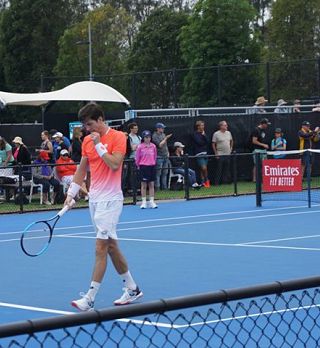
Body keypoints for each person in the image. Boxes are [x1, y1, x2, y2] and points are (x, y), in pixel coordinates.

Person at [65, 103, 142, 311]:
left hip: (111, 200)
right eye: (85, 125)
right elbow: (81, 170)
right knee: (111, 246)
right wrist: (71, 195)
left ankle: (89, 297)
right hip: (95, 200)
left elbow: (115, 164)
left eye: (89, 124)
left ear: (100, 119)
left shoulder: (118, 137)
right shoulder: (87, 141)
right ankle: (132, 288)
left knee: (100, 247)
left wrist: (100, 145)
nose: (87, 129)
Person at [135, 130, 158, 209]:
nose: (147, 139)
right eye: (146, 137)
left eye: (149, 137)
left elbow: (155, 156)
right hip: (143, 167)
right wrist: (139, 166)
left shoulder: (153, 146)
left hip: (151, 166)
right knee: (143, 185)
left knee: (151, 184)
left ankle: (152, 201)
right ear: (143, 138)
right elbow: (137, 158)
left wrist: (153, 163)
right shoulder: (140, 147)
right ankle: (144, 202)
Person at [212, 121, 233, 185]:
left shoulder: (229, 133)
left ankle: (225, 182)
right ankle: (217, 183)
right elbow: (213, 144)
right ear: (221, 126)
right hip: (220, 154)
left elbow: (232, 141)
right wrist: (216, 153)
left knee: (227, 169)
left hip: (227, 154)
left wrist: (231, 148)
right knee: (219, 169)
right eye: (225, 125)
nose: (226, 126)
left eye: (226, 125)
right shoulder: (216, 134)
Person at [152, 122, 172, 190]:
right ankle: (157, 188)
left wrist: (168, 152)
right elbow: (160, 145)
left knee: (165, 172)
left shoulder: (163, 134)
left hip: (165, 156)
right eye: (162, 128)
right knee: (158, 173)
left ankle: (164, 188)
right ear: (158, 128)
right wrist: (166, 138)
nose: (163, 129)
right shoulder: (154, 136)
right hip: (159, 156)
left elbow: (165, 145)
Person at [191, 120, 210, 187]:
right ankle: (207, 180)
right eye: (201, 125)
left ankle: (203, 183)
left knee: (203, 170)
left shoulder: (204, 133)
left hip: (205, 153)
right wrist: (203, 139)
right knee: (203, 168)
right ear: (198, 126)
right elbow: (199, 142)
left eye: (203, 125)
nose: (203, 127)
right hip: (199, 153)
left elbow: (208, 141)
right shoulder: (195, 134)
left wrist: (204, 135)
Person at [251, 118, 270, 182]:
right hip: (257, 150)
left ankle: (264, 178)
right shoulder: (256, 130)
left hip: (263, 150)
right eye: (266, 124)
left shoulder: (263, 130)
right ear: (263, 124)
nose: (267, 126)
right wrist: (263, 145)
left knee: (265, 164)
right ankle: (254, 179)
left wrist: (264, 146)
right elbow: (254, 141)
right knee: (256, 165)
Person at [126, 122, 141, 193]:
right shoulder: (129, 137)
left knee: (138, 174)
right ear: (131, 129)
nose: (136, 130)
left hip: (139, 158)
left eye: (137, 128)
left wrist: (136, 146)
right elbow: (132, 148)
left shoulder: (139, 137)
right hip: (132, 158)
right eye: (135, 128)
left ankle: (138, 189)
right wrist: (137, 146)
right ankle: (131, 189)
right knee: (132, 174)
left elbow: (140, 147)